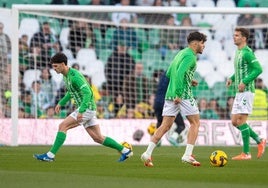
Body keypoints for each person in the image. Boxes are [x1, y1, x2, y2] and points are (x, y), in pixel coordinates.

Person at [34, 52, 133, 162]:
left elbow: (88, 93)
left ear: (63, 64)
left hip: (86, 108)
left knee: (63, 126)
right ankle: (125, 150)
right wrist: (61, 103)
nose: (54, 69)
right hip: (87, 108)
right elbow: (70, 92)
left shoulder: (75, 76)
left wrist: (81, 110)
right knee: (98, 138)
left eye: (55, 66)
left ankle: (50, 155)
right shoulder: (66, 76)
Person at [140, 31, 207, 167]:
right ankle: (187, 155)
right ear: (195, 43)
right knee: (195, 123)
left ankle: (147, 153)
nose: (203, 46)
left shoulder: (180, 53)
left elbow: (170, 72)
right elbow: (179, 73)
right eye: (202, 43)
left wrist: (189, 80)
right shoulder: (191, 57)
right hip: (183, 95)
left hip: (169, 95)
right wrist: (179, 93)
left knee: (165, 126)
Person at [226, 27, 266, 160]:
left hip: (247, 91)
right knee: (234, 121)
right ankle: (259, 140)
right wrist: (232, 78)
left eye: (237, 35)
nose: (234, 37)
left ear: (244, 38)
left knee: (241, 121)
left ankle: (246, 153)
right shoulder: (238, 52)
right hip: (240, 92)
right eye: (234, 35)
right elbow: (241, 69)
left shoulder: (247, 52)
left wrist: (245, 81)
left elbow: (258, 69)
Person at [153, 70, 186, 146]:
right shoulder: (174, 76)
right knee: (181, 125)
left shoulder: (163, 76)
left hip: (157, 103)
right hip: (166, 103)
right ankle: (173, 138)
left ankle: (157, 140)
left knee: (160, 122)